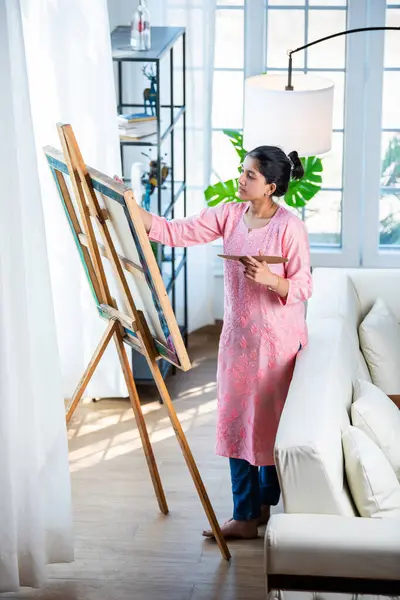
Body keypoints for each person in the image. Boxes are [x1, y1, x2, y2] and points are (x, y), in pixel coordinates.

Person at [133, 145, 312, 540]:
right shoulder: (230, 215)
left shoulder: (290, 227)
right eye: (242, 171)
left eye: (250, 175)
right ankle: (245, 514)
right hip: (237, 342)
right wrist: (132, 207)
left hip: (277, 346)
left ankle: (263, 503)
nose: (241, 179)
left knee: (267, 426)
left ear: (270, 187)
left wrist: (272, 280)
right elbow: (177, 231)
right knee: (236, 424)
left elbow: (303, 285)